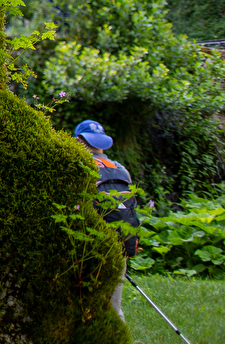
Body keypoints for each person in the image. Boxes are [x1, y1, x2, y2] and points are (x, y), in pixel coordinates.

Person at [74, 119, 140, 318]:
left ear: (78, 140)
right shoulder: (121, 169)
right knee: (113, 307)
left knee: (83, 304)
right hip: (120, 243)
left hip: (90, 243)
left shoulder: (80, 165)